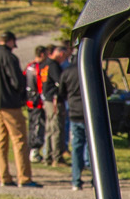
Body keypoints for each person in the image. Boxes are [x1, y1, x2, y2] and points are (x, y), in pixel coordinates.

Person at [0, 30, 38, 188]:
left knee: (1, 142)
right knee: (19, 140)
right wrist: (20, 94)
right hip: (10, 104)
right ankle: (24, 177)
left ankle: (4, 176)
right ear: (10, 41)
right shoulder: (9, 58)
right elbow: (17, 82)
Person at [56, 42, 90, 190]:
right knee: (93, 147)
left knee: (76, 147)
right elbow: (108, 89)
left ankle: (76, 180)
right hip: (90, 113)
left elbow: (61, 92)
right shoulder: (92, 69)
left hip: (75, 112)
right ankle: (96, 179)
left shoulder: (67, 72)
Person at [24, 44, 50, 166]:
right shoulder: (38, 67)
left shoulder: (29, 66)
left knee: (32, 124)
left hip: (30, 101)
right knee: (38, 125)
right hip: (37, 102)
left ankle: (33, 149)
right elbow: (40, 85)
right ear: (42, 54)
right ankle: (34, 150)